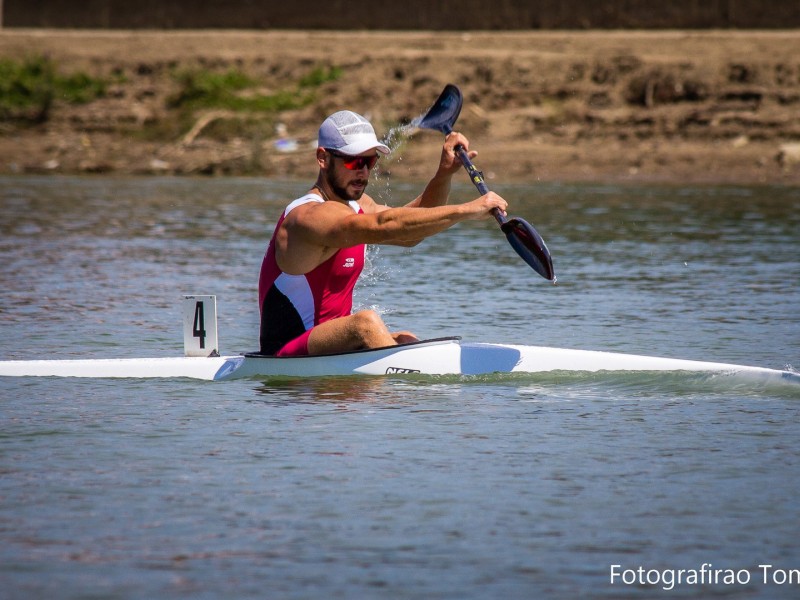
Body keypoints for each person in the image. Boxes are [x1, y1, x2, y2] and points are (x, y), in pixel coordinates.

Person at [258, 110, 508, 356]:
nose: (364, 172)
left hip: (329, 348)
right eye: (353, 161)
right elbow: (383, 224)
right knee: (365, 324)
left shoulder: (357, 206)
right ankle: (404, 393)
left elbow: (410, 233)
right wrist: (469, 210)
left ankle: (419, 392)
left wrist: (443, 174)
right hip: (285, 352)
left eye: (370, 161)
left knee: (405, 338)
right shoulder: (307, 217)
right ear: (323, 158)